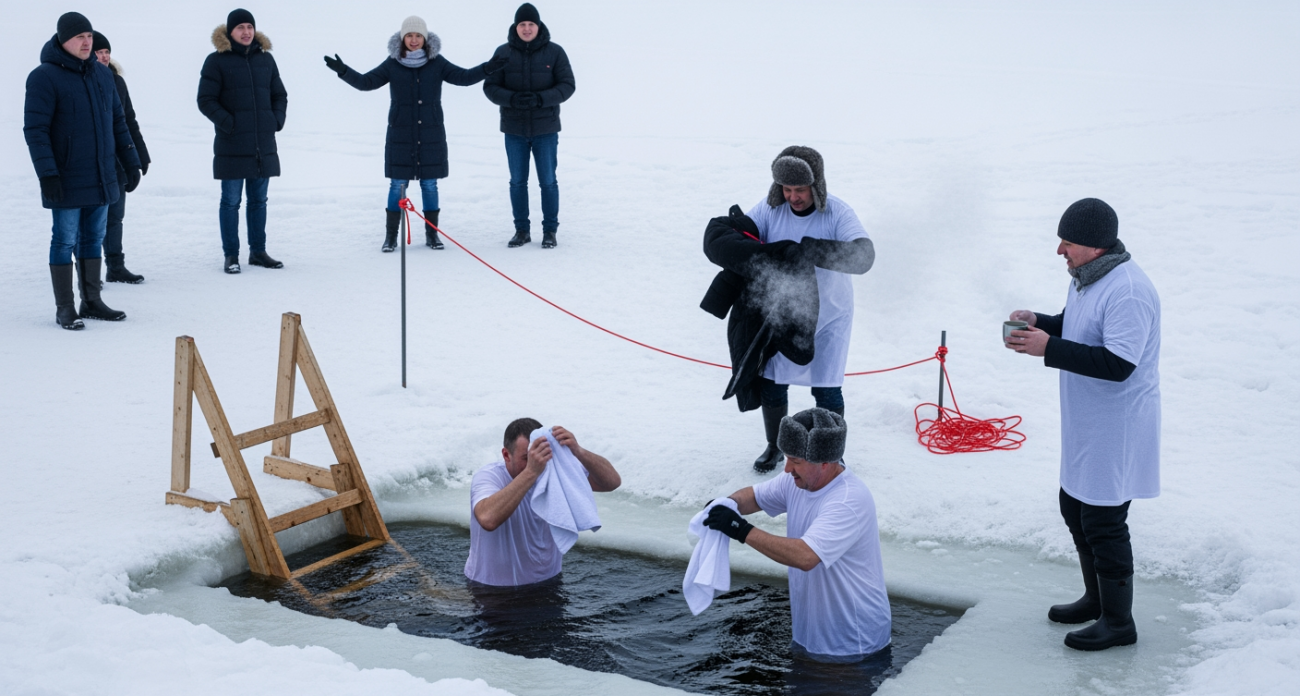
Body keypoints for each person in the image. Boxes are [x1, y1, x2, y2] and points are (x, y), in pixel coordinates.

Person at [1005, 197, 1161, 651]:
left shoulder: (1128, 290)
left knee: (1104, 521)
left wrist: (1047, 349)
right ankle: (1096, 601)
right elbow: (1079, 329)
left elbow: (1118, 363)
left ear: (1095, 246)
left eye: (1068, 242)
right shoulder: (1087, 278)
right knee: (1074, 509)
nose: (1059, 250)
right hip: (1087, 424)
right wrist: (1042, 324)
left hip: (1118, 428)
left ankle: (1119, 622)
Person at [704, 407, 891, 662]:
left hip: (852, 647)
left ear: (825, 462)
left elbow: (805, 557)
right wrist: (727, 504)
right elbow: (754, 497)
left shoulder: (847, 500)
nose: (786, 468)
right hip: (811, 638)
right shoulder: (798, 481)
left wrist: (740, 529)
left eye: (796, 461)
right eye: (787, 457)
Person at [323, 16, 506, 252]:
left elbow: (463, 77)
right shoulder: (392, 64)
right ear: (402, 38)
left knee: (430, 184)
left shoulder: (437, 63)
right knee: (398, 184)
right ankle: (390, 237)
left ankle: (432, 235)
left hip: (431, 134)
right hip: (401, 134)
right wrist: (344, 71)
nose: (414, 40)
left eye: (418, 35)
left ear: (425, 38)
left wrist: (487, 68)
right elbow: (366, 82)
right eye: (409, 35)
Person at [746, 146, 875, 473]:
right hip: (784, 312)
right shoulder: (770, 209)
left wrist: (811, 251)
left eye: (800, 189)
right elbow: (744, 233)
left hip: (830, 315)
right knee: (772, 382)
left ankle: (830, 453)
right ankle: (775, 447)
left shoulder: (837, 213)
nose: (793, 197)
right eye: (786, 189)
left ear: (815, 185)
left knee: (827, 386)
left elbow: (863, 256)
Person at [25, 12, 141, 330]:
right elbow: (36, 130)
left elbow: (118, 123)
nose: (87, 41)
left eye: (89, 35)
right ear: (63, 40)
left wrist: (131, 161)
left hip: (102, 174)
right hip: (66, 176)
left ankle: (91, 301)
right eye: (79, 36)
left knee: (93, 239)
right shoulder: (44, 77)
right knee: (64, 240)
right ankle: (65, 308)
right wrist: (47, 173)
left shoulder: (103, 76)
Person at [465, 418, 621, 586]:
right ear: (506, 455)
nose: (537, 462)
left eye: (540, 455)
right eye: (527, 457)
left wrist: (579, 451)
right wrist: (531, 471)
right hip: (491, 591)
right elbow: (487, 518)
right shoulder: (490, 476)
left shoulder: (554, 473)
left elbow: (611, 482)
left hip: (549, 586)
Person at [197, 8, 287, 274]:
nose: (246, 32)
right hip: (232, 145)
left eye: (249, 27)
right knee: (231, 201)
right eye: (240, 28)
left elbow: (279, 95)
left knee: (259, 201)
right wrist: (230, 124)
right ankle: (231, 255)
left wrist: (276, 120)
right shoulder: (216, 61)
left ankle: (258, 252)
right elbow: (205, 100)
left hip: (263, 144)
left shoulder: (266, 60)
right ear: (230, 31)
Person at [483, 3, 575, 249]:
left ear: (538, 26)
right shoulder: (503, 52)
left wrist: (541, 99)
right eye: (522, 24)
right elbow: (490, 87)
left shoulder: (555, 52)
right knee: (517, 182)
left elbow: (567, 85)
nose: (526, 28)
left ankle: (550, 231)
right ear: (516, 26)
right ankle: (521, 230)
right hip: (514, 129)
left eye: (530, 24)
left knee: (548, 181)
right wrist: (511, 99)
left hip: (546, 129)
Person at [93, 31, 151, 284]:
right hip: (92, 164)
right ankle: (88, 276)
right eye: (99, 52)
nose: (104, 57)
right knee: (92, 222)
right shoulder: (81, 81)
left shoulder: (117, 82)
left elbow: (128, 121)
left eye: (107, 52)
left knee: (115, 217)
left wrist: (139, 156)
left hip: (117, 161)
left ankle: (115, 267)